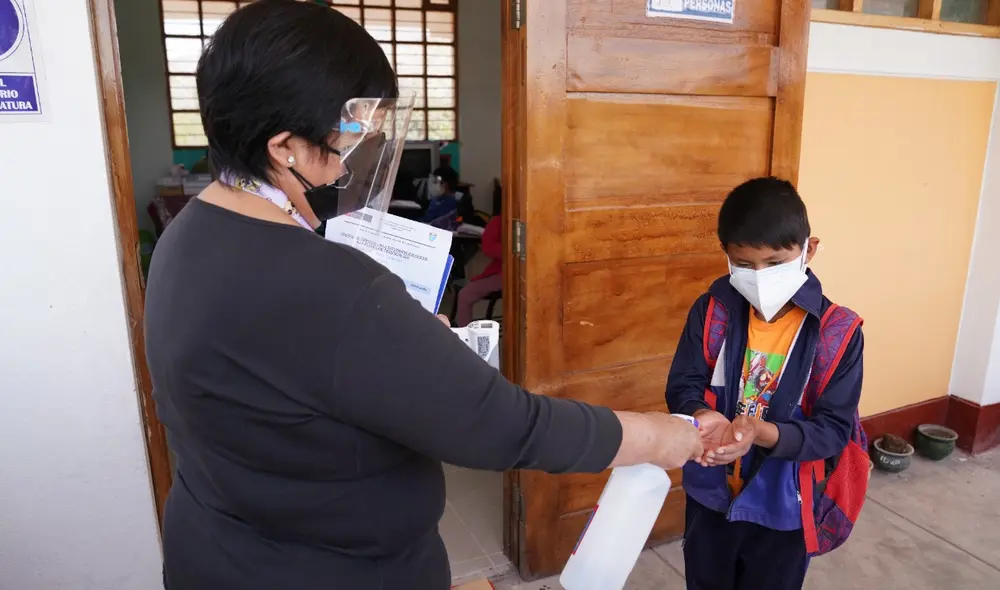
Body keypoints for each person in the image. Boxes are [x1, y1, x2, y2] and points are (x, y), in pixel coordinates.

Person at [143, 2, 702, 589]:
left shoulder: (187, 235)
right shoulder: (328, 284)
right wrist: (658, 436)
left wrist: (401, 346)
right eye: (348, 135)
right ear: (284, 146)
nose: (348, 162)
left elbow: (281, 387)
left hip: (215, 549)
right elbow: (503, 426)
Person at [665, 177, 865, 590]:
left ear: (808, 250)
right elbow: (683, 383)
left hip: (785, 508)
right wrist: (701, 413)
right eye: (743, 264)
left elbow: (831, 432)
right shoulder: (712, 311)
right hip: (710, 495)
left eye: (775, 263)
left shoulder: (838, 334)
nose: (759, 277)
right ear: (726, 254)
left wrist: (759, 432)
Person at [456, 213, 502, 327]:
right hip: (505, 272)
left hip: (517, 274)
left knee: (465, 295)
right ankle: (465, 333)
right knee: (465, 295)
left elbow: (488, 247)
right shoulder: (499, 221)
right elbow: (489, 247)